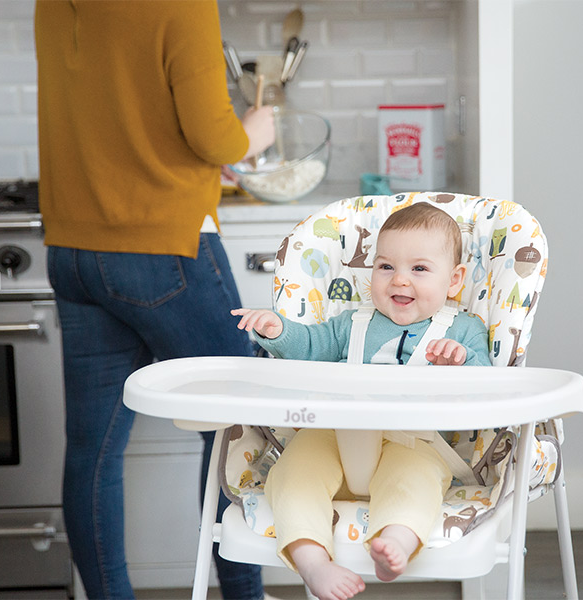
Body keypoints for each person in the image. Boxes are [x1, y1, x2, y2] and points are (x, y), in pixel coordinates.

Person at [35, 1, 275, 598]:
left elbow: (118, 114)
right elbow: (213, 136)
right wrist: (254, 132)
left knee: (92, 452)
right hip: (165, 249)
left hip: (74, 249)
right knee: (236, 431)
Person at [232, 203, 492, 600]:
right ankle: (313, 561)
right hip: (333, 436)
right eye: (386, 266)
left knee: (416, 482)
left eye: (419, 269)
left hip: (414, 441)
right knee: (291, 475)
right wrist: (278, 330)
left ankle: (395, 542)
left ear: (454, 280)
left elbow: (488, 387)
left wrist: (461, 362)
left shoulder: (463, 330)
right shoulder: (352, 323)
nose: (399, 279)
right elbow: (310, 347)